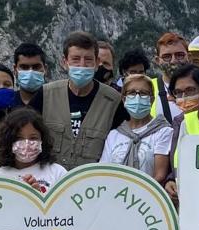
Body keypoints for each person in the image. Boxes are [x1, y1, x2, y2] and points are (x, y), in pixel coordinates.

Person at [39, 31, 125, 168]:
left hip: (92, 185)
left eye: (88, 59)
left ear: (97, 63)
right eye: (75, 59)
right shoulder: (45, 95)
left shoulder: (113, 101)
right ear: (64, 62)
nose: (82, 65)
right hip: (51, 184)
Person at [103, 74, 174, 182]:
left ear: (152, 99)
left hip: (146, 196)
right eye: (131, 93)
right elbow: (104, 171)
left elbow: (160, 175)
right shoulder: (114, 135)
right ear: (124, 99)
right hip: (114, 194)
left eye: (144, 93)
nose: (137, 97)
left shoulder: (163, 131)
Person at [161, 63, 199, 203]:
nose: (184, 97)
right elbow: (175, 160)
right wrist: (170, 180)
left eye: (190, 90)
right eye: (178, 93)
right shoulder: (178, 122)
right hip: (187, 200)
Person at [150, 32, 190, 124]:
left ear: (189, 57)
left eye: (179, 55)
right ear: (157, 60)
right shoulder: (148, 88)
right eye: (167, 57)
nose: (173, 61)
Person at [12, 42, 48, 109]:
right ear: (15, 69)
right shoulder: (7, 105)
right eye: (24, 67)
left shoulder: (57, 102)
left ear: (45, 69)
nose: (30, 72)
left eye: (36, 67)